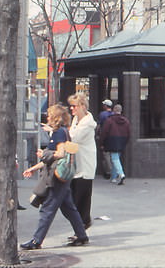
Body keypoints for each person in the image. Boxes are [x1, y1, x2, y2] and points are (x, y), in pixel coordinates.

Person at [21, 105, 88, 250]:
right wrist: (33, 168)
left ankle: (36, 241)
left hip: (56, 177)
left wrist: (44, 154)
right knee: (69, 208)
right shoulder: (64, 131)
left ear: (56, 117)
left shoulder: (58, 133)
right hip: (62, 175)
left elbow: (60, 154)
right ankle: (81, 235)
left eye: (50, 115)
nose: (47, 117)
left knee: (47, 209)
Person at [66, 93, 97, 231]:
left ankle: (82, 228)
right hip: (77, 167)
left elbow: (73, 137)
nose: (72, 109)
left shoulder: (87, 123)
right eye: (71, 106)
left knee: (79, 202)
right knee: (77, 201)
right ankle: (81, 227)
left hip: (85, 167)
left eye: (74, 106)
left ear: (83, 106)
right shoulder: (76, 120)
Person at [99, 103, 130, 185]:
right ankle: (113, 177)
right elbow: (129, 133)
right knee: (116, 158)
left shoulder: (109, 120)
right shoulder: (126, 121)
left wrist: (101, 142)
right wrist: (125, 141)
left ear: (114, 110)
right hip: (122, 141)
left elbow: (104, 132)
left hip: (112, 141)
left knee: (114, 158)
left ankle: (121, 174)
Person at [97, 99, 114, 179]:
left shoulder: (102, 114)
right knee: (112, 155)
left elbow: (99, 125)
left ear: (106, 106)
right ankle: (113, 170)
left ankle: (109, 171)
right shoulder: (114, 114)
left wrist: (97, 134)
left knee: (105, 155)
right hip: (113, 136)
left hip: (105, 136)